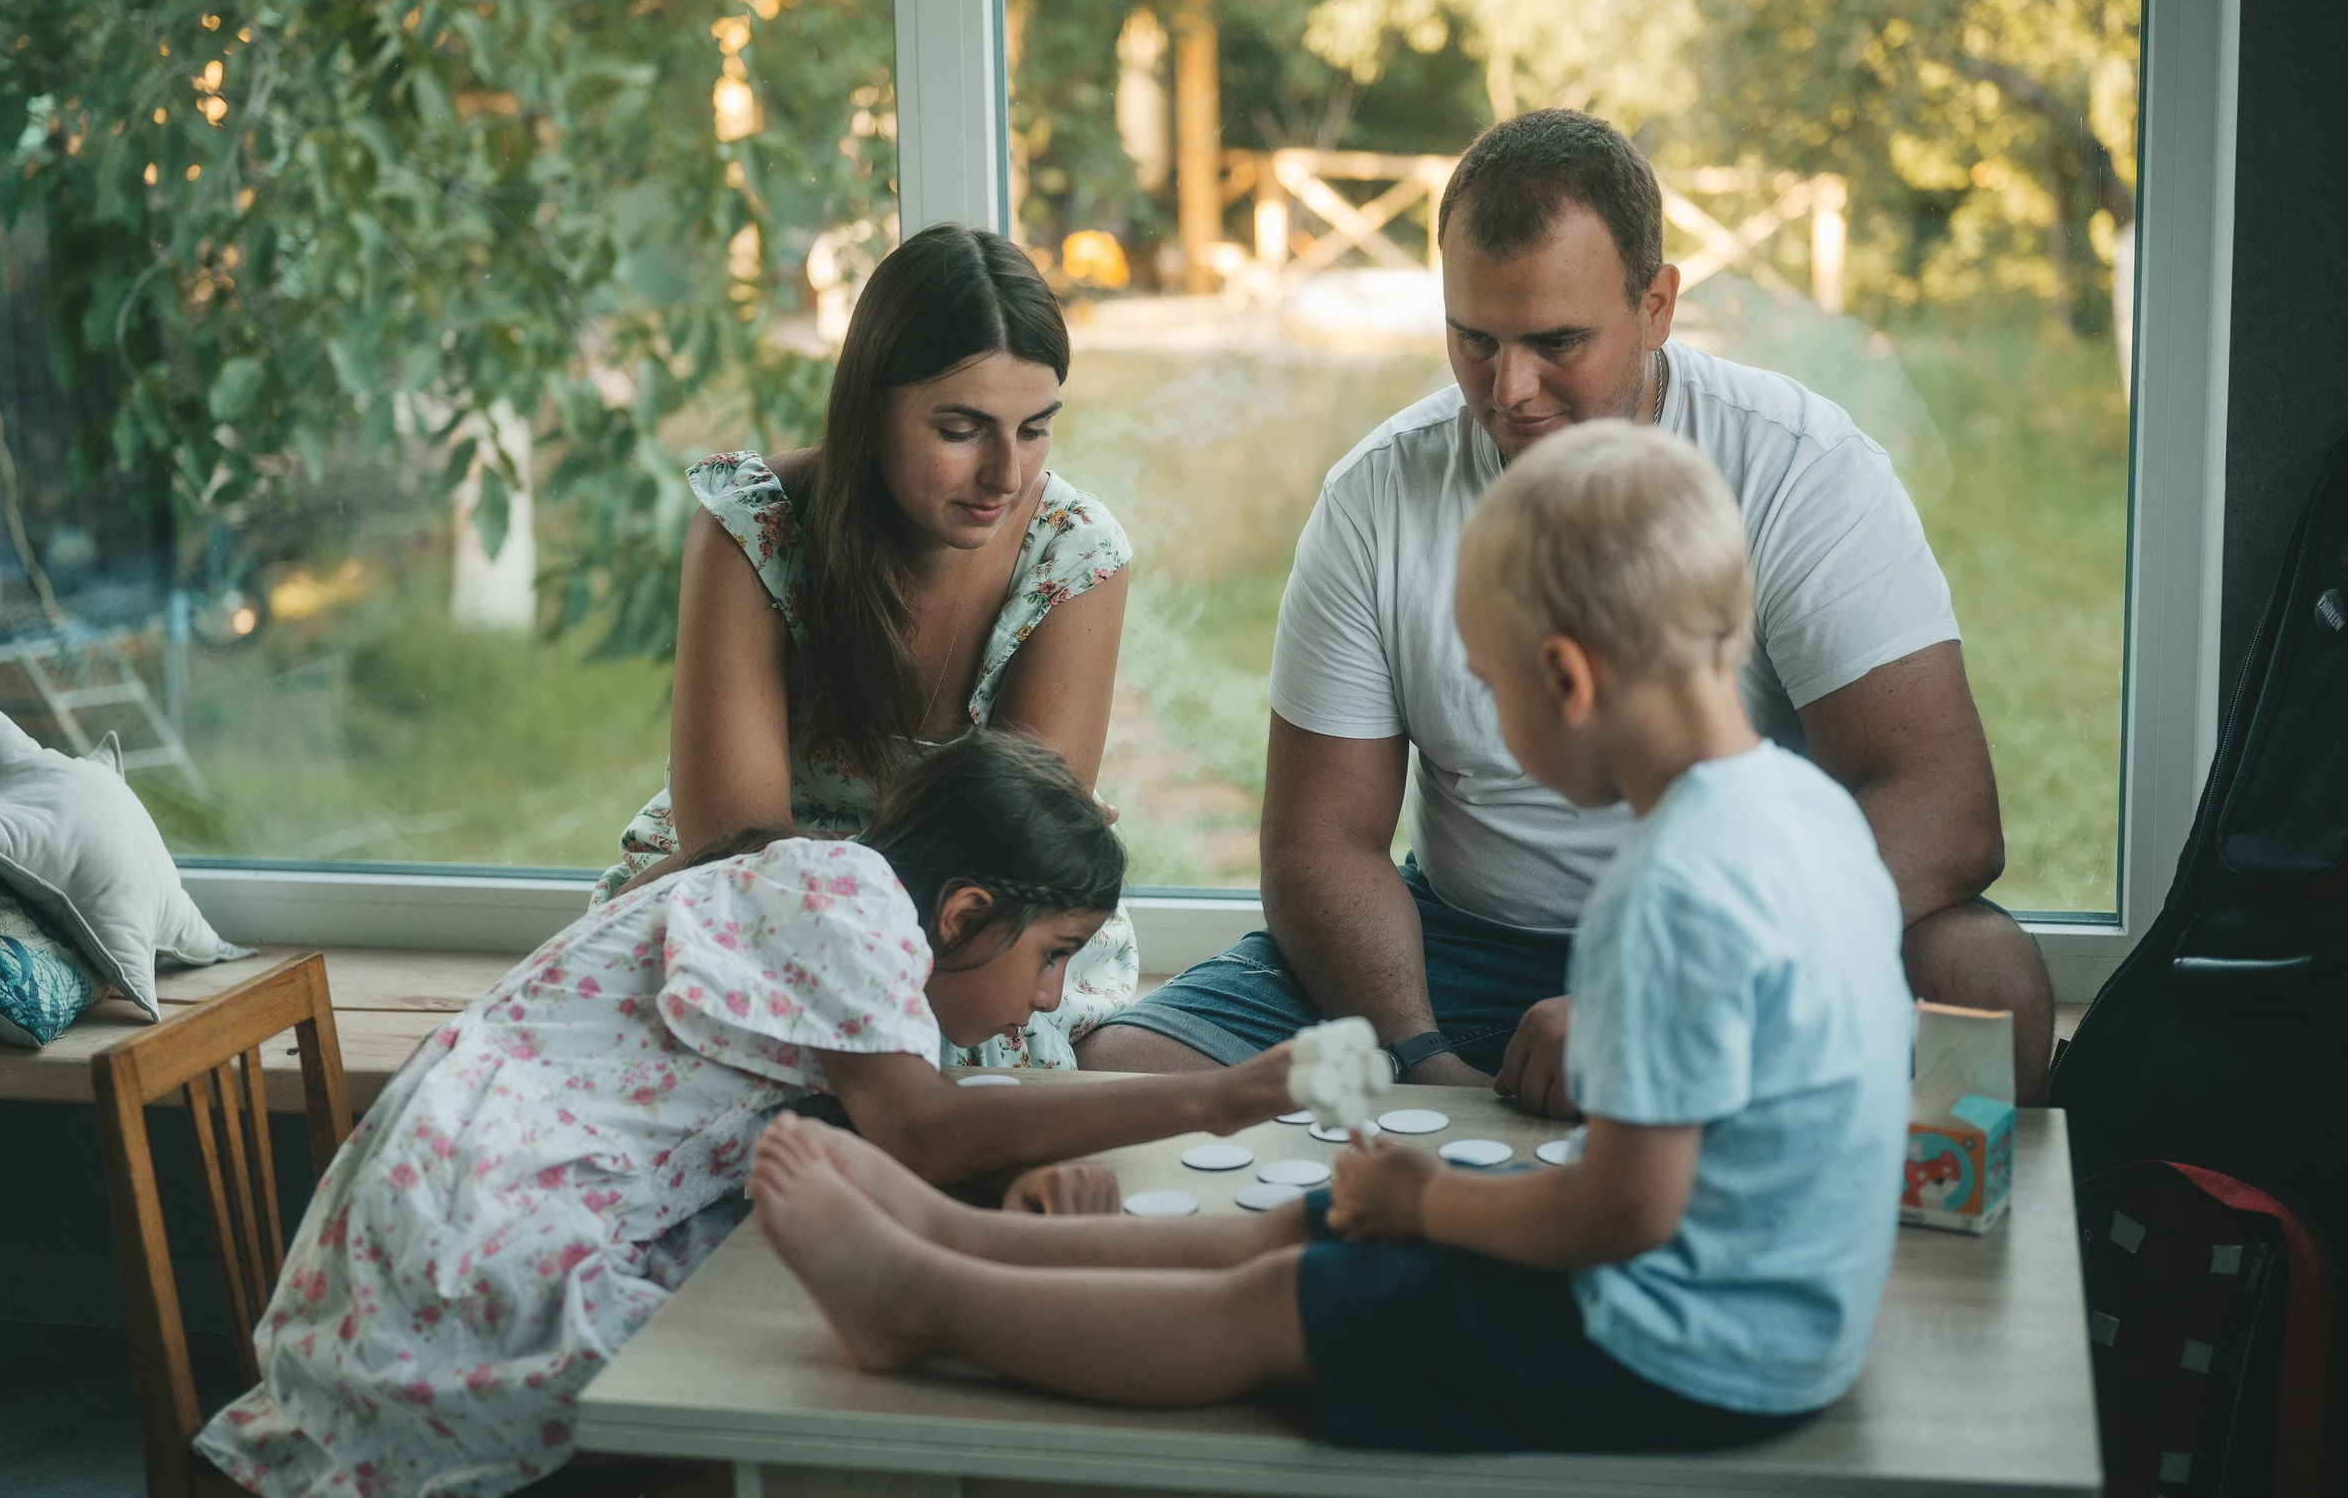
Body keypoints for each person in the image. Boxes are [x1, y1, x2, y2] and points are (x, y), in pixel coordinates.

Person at [748, 423, 1915, 1451]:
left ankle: (921, 1301)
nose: (1492, 718)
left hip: (1684, 1355)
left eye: (1490, 687)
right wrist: (1412, 1199)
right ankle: (958, 1233)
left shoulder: (1669, 886)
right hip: (1786, 1316)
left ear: (1565, 677)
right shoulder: (1803, 811)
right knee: (1311, 1221)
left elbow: (1622, 1211)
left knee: (1281, 1302)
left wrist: (1433, 1203)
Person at [1082, 107, 2053, 1102]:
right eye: (1473, 339)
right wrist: (1421, 1056)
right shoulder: (1376, 495)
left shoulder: (1801, 465)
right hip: (1454, 950)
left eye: (1556, 341)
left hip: (1741, 928)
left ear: (1657, 304)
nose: (1508, 389)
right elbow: (1317, 841)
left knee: (1981, 983)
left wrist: (1666, 990)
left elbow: (1947, 809)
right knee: (1124, 1070)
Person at [196, 731, 1296, 1498]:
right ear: (965, 911)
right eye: (1052, 954)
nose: (1052, 996)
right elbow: (919, 1128)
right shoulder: (849, 900)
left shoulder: (814, 899)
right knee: (870, 1388)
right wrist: (1221, 1092)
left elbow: (894, 1134)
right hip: (474, 1262)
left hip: (426, 1224)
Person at [597, 222, 1140, 1072]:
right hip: (756, 910)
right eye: (962, 429)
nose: (1006, 473)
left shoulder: (1075, 557)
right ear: (871, 409)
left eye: (1035, 428)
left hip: (970, 936)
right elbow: (738, 852)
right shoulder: (756, 528)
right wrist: (949, 843)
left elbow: (1011, 877)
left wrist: (980, 851)